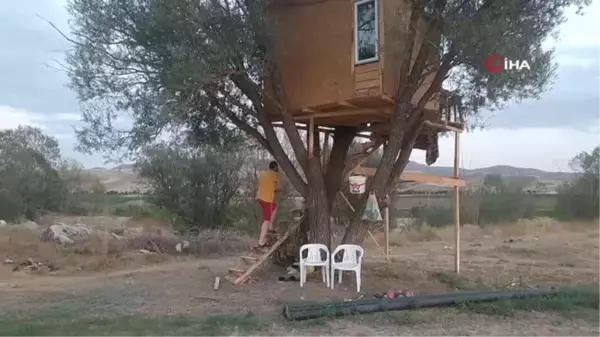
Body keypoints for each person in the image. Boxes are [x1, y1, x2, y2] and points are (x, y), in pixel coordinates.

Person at [255, 161, 280, 249]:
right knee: (267, 220)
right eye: (277, 168)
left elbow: (259, 183)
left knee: (275, 207)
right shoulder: (275, 174)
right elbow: (277, 188)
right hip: (267, 200)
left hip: (259, 198)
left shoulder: (262, 173)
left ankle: (270, 226)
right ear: (275, 167)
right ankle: (261, 241)